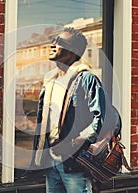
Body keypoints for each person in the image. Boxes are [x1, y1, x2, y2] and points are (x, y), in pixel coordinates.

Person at [30, 27, 106, 193]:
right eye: (54, 41)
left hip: (74, 163)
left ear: (74, 51)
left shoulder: (86, 79)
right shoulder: (50, 80)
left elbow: (100, 118)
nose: (53, 45)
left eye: (61, 42)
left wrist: (74, 142)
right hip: (51, 161)